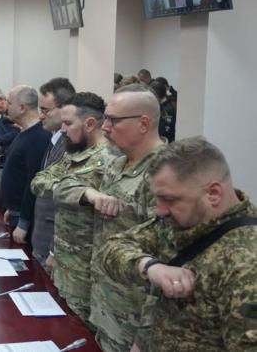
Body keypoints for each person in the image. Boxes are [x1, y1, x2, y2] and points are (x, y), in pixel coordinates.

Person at [95, 137, 257, 352]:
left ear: (213, 193)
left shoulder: (247, 262)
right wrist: (150, 267)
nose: (160, 210)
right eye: (157, 199)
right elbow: (111, 248)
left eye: (169, 199)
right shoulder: (178, 224)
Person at [87, 84, 165, 352]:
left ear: (143, 123)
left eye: (113, 120)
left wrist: (144, 338)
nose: (105, 127)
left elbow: (167, 260)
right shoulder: (118, 162)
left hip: (133, 318)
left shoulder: (163, 175)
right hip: (105, 306)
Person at [30, 92, 115, 327]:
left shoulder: (109, 160)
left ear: (89, 124)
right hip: (63, 260)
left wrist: (65, 188)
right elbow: (38, 182)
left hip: (87, 270)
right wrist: (75, 191)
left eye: (68, 123)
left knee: (80, 330)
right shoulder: (73, 153)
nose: (63, 129)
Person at [30, 77, 76, 268]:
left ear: (64, 108)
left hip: (53, 243)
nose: (40, 116)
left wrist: (53, 250)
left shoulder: (70, 145)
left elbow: (67, 207)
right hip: (41, 234)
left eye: (45, 110)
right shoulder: (55, 138)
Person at [0, 86, 50, 245]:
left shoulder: (38, 137)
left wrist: (23, 222)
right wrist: (11, 207)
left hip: (25, 219)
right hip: (15, 211)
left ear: (22, 108)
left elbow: (32, 182)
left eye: (9, 103)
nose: (6, 107)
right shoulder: (24, 132)